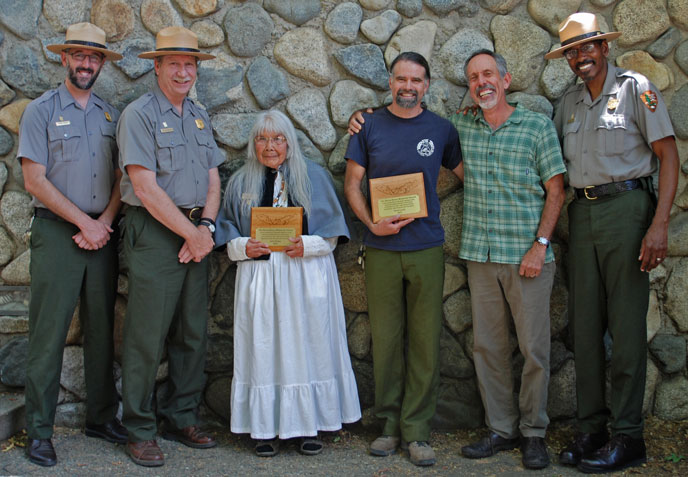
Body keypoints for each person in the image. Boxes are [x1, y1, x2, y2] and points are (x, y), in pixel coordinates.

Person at [546, 13, 679, 473]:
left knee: (624, 330)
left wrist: (658, 224)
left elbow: (667, 155)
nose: (580, 57)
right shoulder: (567, 103)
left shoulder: (634, 89)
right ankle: (591, 430)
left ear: (604, 48)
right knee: (583, 328)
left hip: (627, 211)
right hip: (580, 215)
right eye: (571, 51)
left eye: (588, 48)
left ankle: (628, 437)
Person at [214, 109, 361, 457]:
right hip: (261, 278)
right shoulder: (240, 182)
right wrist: (242, 246)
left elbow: (330, 234)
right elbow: (227, 232)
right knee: (263, 349)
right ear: (253, 144)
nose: (270, 146)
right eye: (262, 139)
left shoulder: (314, 176)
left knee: (310, 347)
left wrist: (307, 244)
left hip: (304, 276)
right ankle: (264, 428)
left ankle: (309, 427)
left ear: (289, 142)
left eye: (277, 138)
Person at [344, 52, 462, 467]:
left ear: (426, 85)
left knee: (426, 341)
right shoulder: (370, 125)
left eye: (416, 80)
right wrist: (371, 224)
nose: (408, 86)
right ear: (390, 82)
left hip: (426, 246)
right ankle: (389, 425)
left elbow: (465, 173)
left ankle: (417, 431)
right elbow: (353, 184)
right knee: (388, 340)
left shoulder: (443, 129)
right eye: (400, 79)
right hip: (381, 249)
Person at [16, 22, 126, 467]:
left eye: (94, 57)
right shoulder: (41, 110)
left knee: (102, 330)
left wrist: (104, 222)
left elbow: (123, 178)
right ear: (64, 59)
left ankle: (100, 417)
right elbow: (33, 180)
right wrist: (85, 222)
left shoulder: (109, 114)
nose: (86, 63)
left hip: (102, 232)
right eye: (79, 56)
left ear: (101, 63)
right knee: (48, 334)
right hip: (58, 234)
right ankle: (38, 431)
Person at [451, 50, 566, 470]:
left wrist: (540, 245)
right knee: (488, 348)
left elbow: (556, 190)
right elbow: (416, 127)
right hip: (481, 255)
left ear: (505, 78)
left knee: (534, 348)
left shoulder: (535, 125)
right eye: (473, 77)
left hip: (526, 257)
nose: (481, 82)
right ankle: (501, 429)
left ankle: (534, 432)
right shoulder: (462, 124)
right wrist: (364, 116)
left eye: (487, 74)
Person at [116, 26, 223, 467]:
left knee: (191, 333)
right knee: (146, 336)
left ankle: (181, 416)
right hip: (158, 234)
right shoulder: (138, 115)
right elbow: (144, 187)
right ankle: (139, 428)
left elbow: (214, 177)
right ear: (156, 66)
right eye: (174, 63)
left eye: (190, 64)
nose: (183, 71)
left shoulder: (198, 115)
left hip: (197, 234)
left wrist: (208, 229)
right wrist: (191, 235)